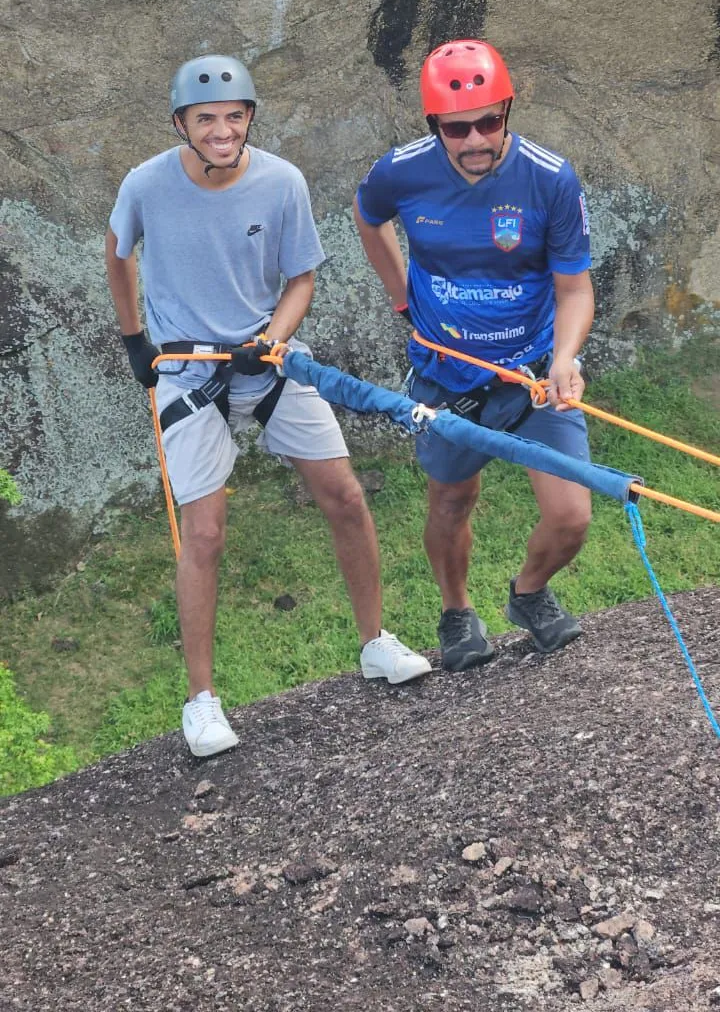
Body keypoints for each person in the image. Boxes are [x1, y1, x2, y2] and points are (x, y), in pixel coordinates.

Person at [105, 54, 430, 757]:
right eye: (206, 120)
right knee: (208, 533)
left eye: (233, 117)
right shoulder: (146, 186)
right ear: (181, 125)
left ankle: (375, 642)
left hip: (270, 361)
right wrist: (135, 339)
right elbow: (118, 251)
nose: (222, 131)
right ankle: (202, 702)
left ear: (250, 117)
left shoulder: (282, 182)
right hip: (188, 371)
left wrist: (272, 338)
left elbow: (302, 277)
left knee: (345, 495)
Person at [354, 39, 594, 672]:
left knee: (571, 517)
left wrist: (565, 358)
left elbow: (574, 287)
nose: (477, 139)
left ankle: (529, 593)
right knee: (452, 503)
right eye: (458, 128)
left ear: (508, 111)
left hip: (531, 373)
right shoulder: (401, 171)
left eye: (491, 120)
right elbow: (367, 214)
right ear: (434, 125)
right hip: (446, 377)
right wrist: (401, 295)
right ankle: (457, 611)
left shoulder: (549, 178)